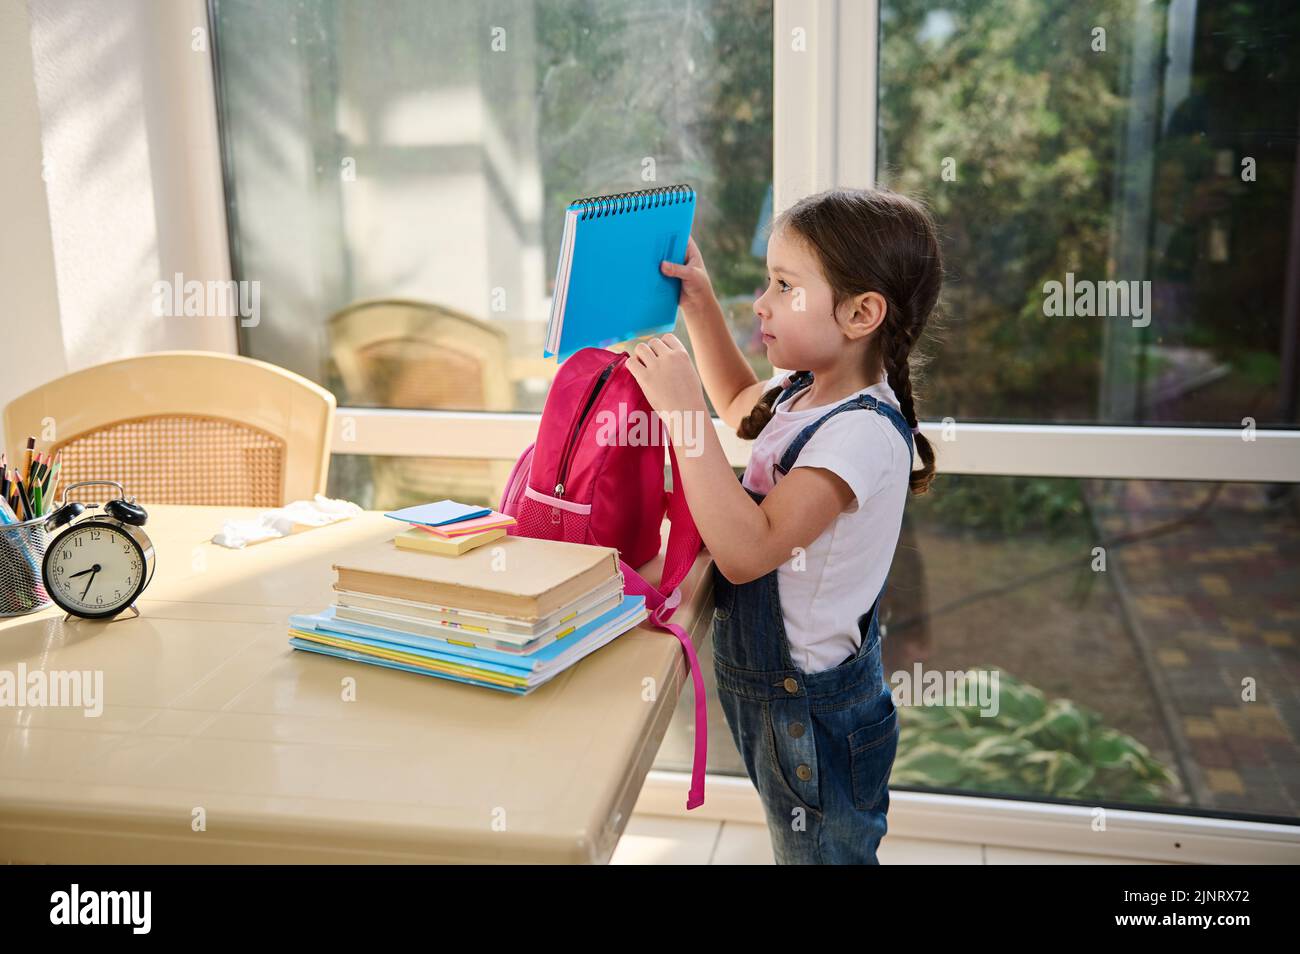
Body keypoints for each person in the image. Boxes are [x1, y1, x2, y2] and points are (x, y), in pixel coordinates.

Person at [626, 186, 942, 863]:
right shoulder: (808, 388)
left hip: (813, 716)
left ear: (861, 314)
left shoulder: (857, 433)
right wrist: (702, 308)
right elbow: (742, 403)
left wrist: (682, 414)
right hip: (785, 701)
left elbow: (749, 551)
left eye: (783, 285)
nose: (761, 303)